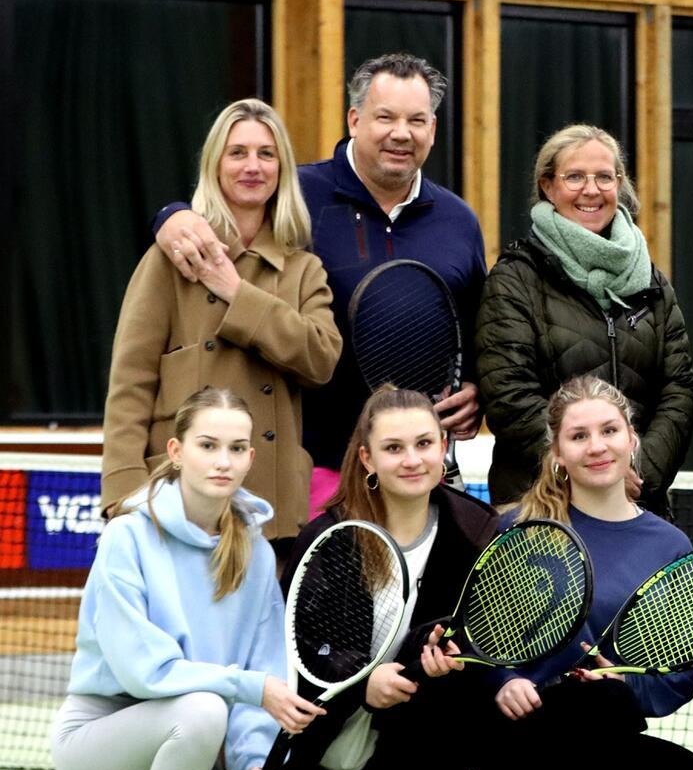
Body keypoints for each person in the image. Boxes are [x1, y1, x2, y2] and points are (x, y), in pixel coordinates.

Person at [154, 54, 486, 512]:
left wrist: (476, 390)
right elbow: (224, 206)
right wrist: (171, 217)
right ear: (354, 119)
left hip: (416, 470)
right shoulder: (294, 195)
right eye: (385, 117)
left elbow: (475, 334)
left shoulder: (459, 220)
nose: (401, 133)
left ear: (432, 128)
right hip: (311, 473)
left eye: (417, 120)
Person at [469, 376, 693, 770]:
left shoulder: (670, 545)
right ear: (558, 452)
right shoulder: (518, 527)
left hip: (606, 732)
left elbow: (676, 677)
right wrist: (504, 681)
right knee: (599, 708)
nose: (597, 446)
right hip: (517, 745)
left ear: (631, 439)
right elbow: (474, 639)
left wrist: (624, 679)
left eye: (609, 430)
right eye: (579, 435)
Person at [54, 388, 305, 770]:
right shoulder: (126, 536)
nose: (223, 461)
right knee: (204, 708)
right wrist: (248, 687)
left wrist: (254, 763)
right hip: (97, 739)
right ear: (175, 450)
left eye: (237, 448)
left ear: (251, 458)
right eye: (207, 445)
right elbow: (146, 673)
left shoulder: (257, 556)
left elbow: (263, 668)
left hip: (190, 747)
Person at [262, 387, 492, 770]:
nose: (412, 460)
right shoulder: (329, 536)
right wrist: (361, 684)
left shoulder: (474, 530)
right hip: (328, 738)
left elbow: (484, 631)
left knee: (451, 690)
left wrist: (454, 658)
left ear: (443, 449)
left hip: (415, 738)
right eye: (393, 448)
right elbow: (302, 651)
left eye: (424, 444)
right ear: (367, 458)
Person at [102, 99, 341, 543]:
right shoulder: (167, 261)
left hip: (272, 511)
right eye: (238, 152)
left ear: (282, 169)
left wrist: (236, 291)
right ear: (215, 164)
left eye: (266, 154)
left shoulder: (303, 269)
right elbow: (130, 386)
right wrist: (122, 496)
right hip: (175, 502)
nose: (253, 166)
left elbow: (321, 358)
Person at [477, 124, 693, 515]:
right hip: (541, 506)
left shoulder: (651, 280)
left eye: (603, 177)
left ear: (619, 184)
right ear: (548, 186)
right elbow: (508, 395)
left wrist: (636, 471)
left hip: (634, 503)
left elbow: (678, 391)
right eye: (575, 177)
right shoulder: (516, 278)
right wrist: (587, 468)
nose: (591, 190)